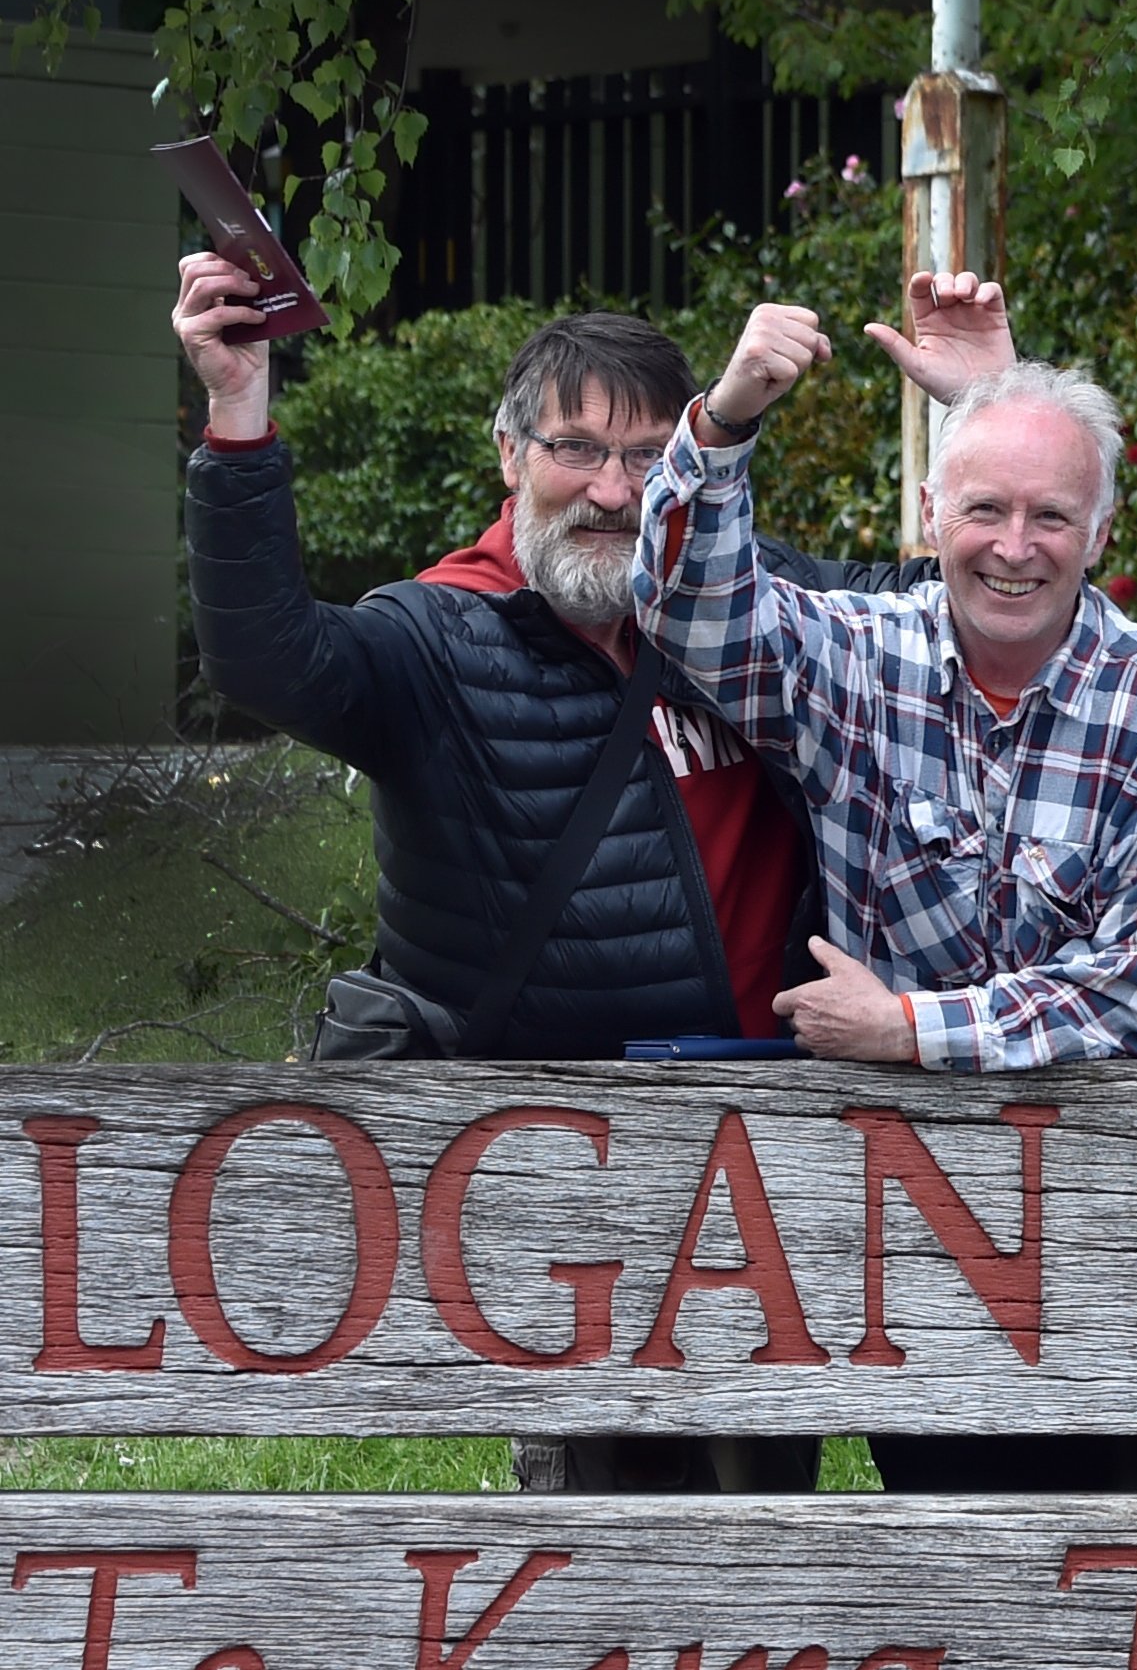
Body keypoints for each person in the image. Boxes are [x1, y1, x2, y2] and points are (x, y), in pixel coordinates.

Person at [173, 260, 989, 1498]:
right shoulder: (435, 636)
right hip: (561, 1187)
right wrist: (239, 411)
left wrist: (988, 409)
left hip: (768, 1167)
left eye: (649, 456)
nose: (613, 491)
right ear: (510, 458)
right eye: (576, 450)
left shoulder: (756, 606)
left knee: (764, 1516)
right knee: (600, 1558)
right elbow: (268, 657)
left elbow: (986, 608)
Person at [637, 304, 1137, 1494]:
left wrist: (906, 1030)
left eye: (1051, 514)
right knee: (944, 1550)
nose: (1015, 546)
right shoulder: (856, 654)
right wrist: (728, 415)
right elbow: (686, 608)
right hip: (902, 1226)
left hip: (1110, 1221)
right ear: (930, 516)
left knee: (1134, 1561)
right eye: (987, 510)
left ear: (1100, 531)